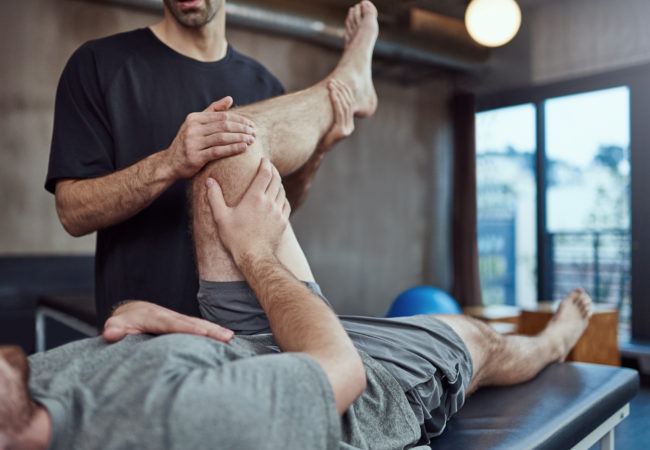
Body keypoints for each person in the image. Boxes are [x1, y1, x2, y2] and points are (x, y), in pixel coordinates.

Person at [0, 157, 593, 449]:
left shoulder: (30, 388)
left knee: (224, 161)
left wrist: (141, 321)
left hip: (237, 349)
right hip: (348, 386)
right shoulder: (181, 426)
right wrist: (255, 252)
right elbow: (343, 370)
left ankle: (345, 98)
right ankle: (554, 342)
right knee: (473, 337)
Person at [45, 0, 369, 323]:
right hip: (143, 331)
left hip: (241, 331)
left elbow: (276, 211)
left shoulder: (264, 86)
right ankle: (352, 80)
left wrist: (315, 154)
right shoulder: (100, 64)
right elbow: (72, 213)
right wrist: (168, 163)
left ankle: (350, 81)